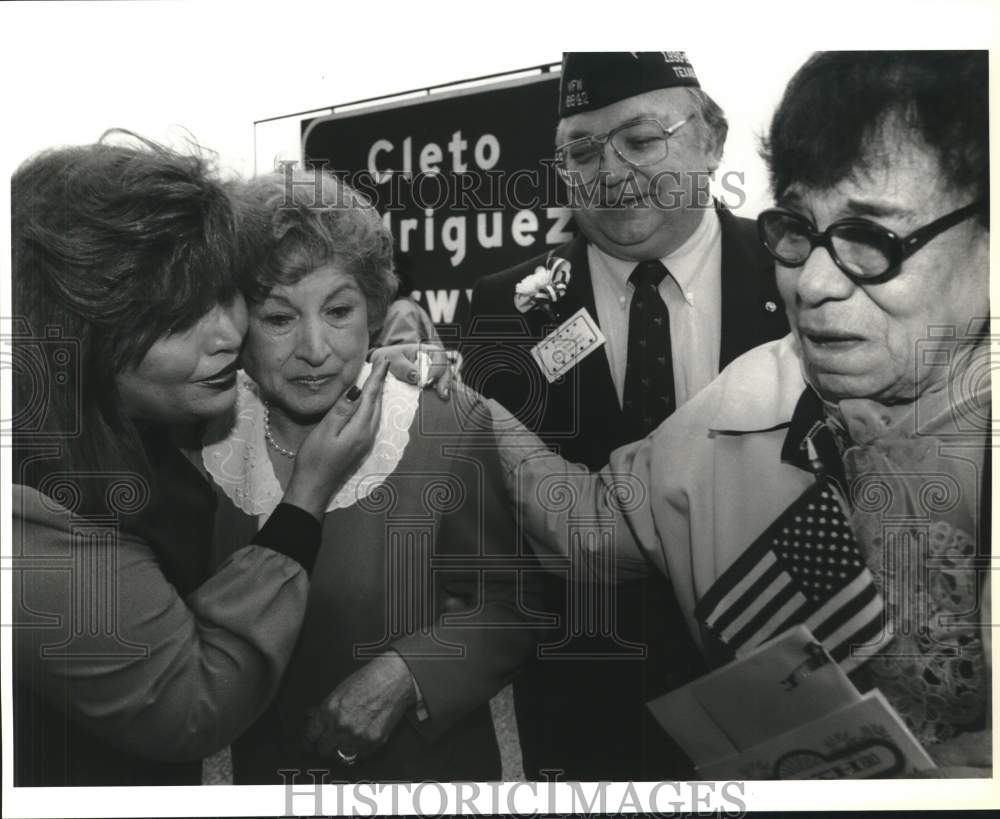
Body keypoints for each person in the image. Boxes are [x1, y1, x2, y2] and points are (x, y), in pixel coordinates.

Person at [494, 50, 990, 777]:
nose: (813, 283)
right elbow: (591, 521)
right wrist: (454, 399)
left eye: (873, 237)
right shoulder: (747, 400)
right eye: (797, 228)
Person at [9, 132, 395, 786]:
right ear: (83, 341)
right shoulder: (33, 530)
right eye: (176, 319)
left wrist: (399, 366)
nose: (227, 333)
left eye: (223, 293)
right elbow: (192, 702)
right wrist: (305, 499)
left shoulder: (152, 408)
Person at [465, 51, 789, 779]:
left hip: (783, 706)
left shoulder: (794, 278)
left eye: (641, 140)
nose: (609, 172)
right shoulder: (505, 307)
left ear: (711, 137)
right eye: (581, 151)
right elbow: (492, 534)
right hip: (587, 724)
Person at [203, 169, 539, 783]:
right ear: (234, 323)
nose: (315, 348)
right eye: (278, 318)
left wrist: (408, 672)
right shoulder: (206, 440)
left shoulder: (442, 419)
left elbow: (514, 605)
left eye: (338, 310)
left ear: (374, 309)